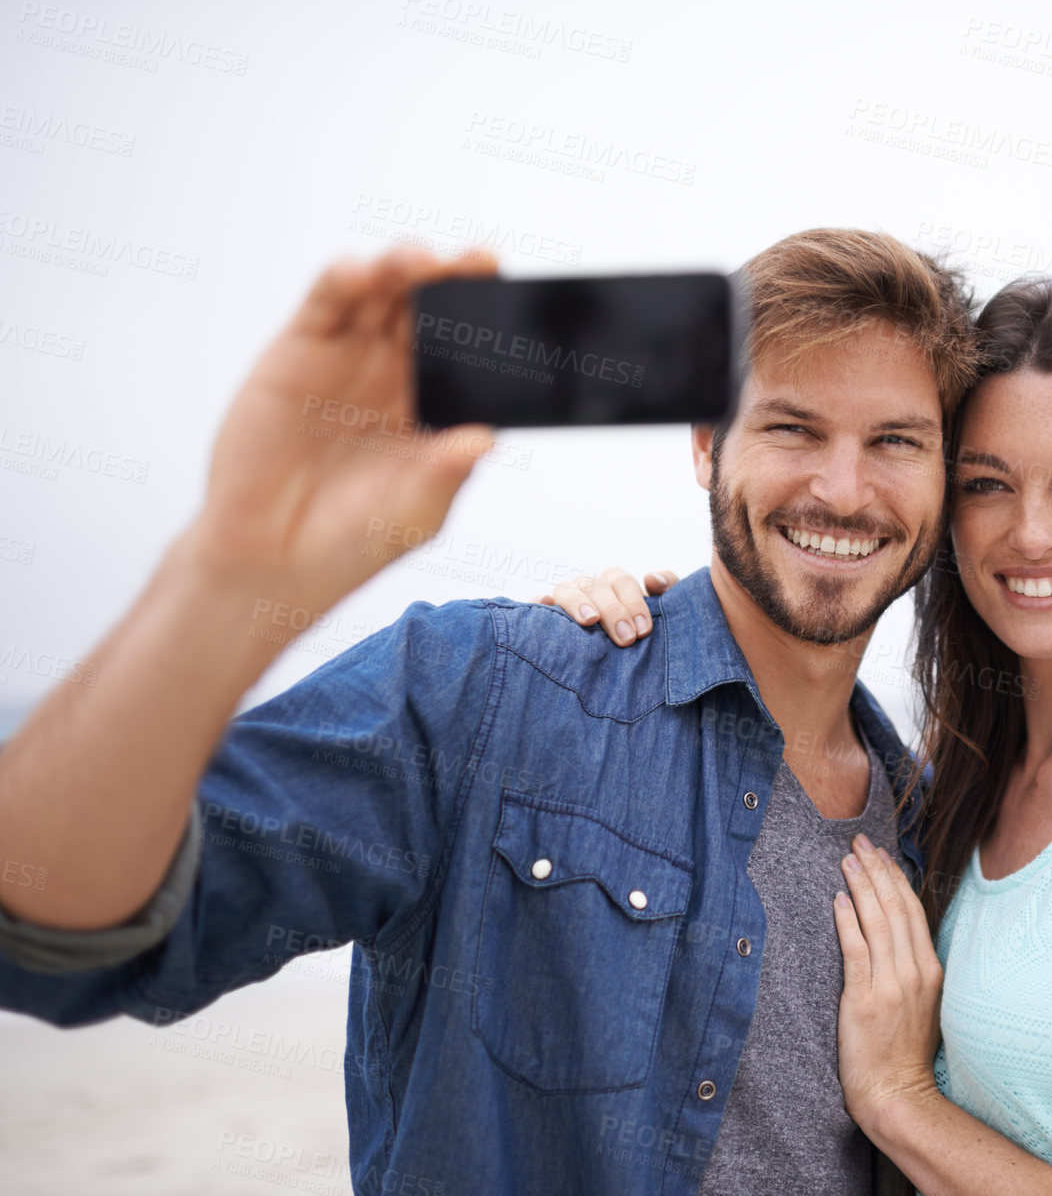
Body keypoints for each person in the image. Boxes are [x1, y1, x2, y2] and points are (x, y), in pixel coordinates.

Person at [0, 229, 981, 1193]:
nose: (843, 488)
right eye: (792, 427)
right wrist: (222, 578)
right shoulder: (488, 690)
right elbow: (84, 933)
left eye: (894, 441)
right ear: (703, 442)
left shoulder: (938, 831)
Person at [550, 277, 1052, 1195]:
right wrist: (614, 643)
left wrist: (900, 1099)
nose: (1033, 531)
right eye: (986, 485)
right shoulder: (945, 780)